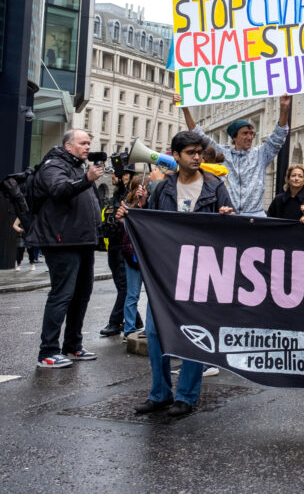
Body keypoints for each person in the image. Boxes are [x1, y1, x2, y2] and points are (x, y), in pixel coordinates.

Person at [123, 131, 235, 417]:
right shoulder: (163, 189)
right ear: (176, 155)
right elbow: (149, 224)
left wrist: (228, 218)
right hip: (165, 271)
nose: (197, 157)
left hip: (200, 271)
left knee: (194, 335)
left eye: (199, 152)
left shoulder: (215, 186)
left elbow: (228, 229)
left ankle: (186, 395)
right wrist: (131, 214)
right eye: (191, 153)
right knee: (154, 332)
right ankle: (159, 393)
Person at [28, 129, 103, 369]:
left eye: (89, 143)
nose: (87, 147)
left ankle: (72, 346)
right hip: (62, 241)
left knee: (81, 295)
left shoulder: (77, 167)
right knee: (62, 295)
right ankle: (48, 352)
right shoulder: (53, 165)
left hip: (82, 240)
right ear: (68, 146)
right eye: (83, 143)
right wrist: (87, 179)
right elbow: (59, 190)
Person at [179, 93, 291, 216]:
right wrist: (185, 109)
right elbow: (198, 134)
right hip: (228, 215)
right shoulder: (223, 153)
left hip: (255, 217)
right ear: (234, 137)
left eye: (252, 133)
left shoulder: (260, 154)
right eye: (245, 133)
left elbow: (278, 136)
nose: (250, 137)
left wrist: (284, 109)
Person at [99, 169, 141, 338]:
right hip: (113, 246)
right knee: (122, 287)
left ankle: (115, 322)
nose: (112, 176)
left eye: (117, 173)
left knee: (125, 288)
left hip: (123, 248)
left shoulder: (127, 195)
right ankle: (136, 321)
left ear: (126, 177)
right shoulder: (115, 196)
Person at [119, 176, 147, 341]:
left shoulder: (147, 205)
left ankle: (147, 327)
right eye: (140, 187)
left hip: (144, 255)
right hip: (133, 256)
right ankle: (129, 329)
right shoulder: (127, 207)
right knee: (132, 294)